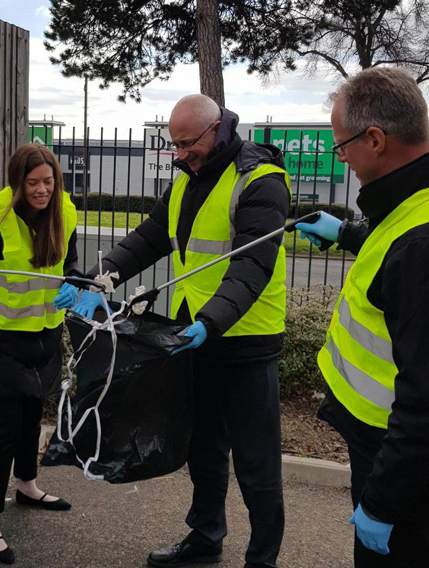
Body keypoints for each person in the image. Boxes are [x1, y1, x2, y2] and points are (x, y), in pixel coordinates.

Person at [295, 67, 429, 568]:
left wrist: (383, 501)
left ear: (375, 138)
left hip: (400, 449)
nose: (340, 158)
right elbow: (404, 260)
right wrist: (349, 236)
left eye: (341, 146)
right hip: (400, 441)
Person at [74, 94, 291, 568]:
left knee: (257, 464)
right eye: (174, 145)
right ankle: (206, 536)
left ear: (216, 130)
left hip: (245, 342)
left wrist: (211, 321)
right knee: (204, 447)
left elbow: (252, 266)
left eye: (187, 143)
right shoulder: (186, 181)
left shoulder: (261, 180)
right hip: (196, 335)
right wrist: (101, 275)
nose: (179, 153)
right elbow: (149, 238)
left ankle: (263, 559)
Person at [0, 144, 81, 564]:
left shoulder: (66, 211)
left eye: (48, 181)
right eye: (33, 183)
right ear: (17, 183)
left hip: (44, 334)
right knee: (6, 427)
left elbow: (71, 266)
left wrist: (75, 285)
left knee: (31, 416)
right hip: (5, 338)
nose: (42, 191)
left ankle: (26, 485)